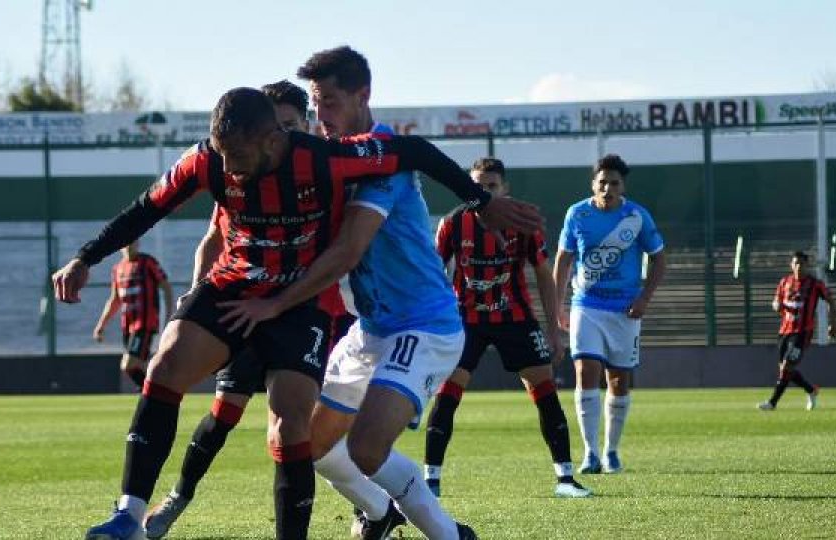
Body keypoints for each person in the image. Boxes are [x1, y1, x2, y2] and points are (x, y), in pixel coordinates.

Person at [54, 86, 539, 540]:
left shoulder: (321, 159)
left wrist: (479, 201)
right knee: (163, 369)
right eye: (223, 155)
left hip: (297, 303)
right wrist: (85, 258)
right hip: (235, 285)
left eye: (240, 156)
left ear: (273, 139)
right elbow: (147, 207)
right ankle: (129, 515)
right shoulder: (208, 161)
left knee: (291, 425)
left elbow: (412, 154)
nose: (232, 168)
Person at [217, 46, 514, 540]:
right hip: (374, 329)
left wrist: (274, 304)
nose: (322, 117)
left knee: (367, 447)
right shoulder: (328, 160)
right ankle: (379, 512)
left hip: (424, 324)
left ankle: (451, 535)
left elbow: (348, 251)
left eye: (330, 102)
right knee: (308, 443)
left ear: (363, 95)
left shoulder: (381, 159)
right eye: (316, 106)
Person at [143, 80, 351, 540]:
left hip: (315, 313)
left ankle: (374, 505)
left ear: (305, 126)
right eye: (274, 125)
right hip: (244, 307)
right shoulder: (243, 172)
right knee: (223, 413)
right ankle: (177, 497)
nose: (280, 135)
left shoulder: (326, 170)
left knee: (311, 428)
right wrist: (197, 297)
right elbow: (214, 239)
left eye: (289, 125)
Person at [422, 157, 591, 499]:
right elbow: (429, 272)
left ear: (505, 188)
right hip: (466, 321)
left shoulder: (523, 222)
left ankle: (566, 480)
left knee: (545, 393)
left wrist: (553, 327)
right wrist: (432, 321)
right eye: (477, 186)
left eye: (491, 186)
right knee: (447, 397)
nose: (483, 192)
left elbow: (544, 274)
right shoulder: (453, 223)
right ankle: (431, 483)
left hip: (515, 318)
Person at [553, 153, 666, 475]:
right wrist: (558, 305)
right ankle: (589, 453)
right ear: (593, 184)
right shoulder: (577, 214)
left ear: (622, 186)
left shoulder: (636, 216)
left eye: (614, 183)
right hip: (586, 305)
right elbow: (563, 261)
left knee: (618, 380)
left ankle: (611, 451)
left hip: (625, 311)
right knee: (584, 371)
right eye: (602, 182)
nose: (607, 188)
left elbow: (660, 260)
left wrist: (644, 298)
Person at [758, 250, 836, 411]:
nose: (799, 266)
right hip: (784, 331)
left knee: (787, 366)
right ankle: (811, 390)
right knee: (786, 370)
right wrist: (776, 306)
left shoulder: (815, 284)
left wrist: (832, 324)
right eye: (796, 263)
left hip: (802, 332)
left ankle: (772, 403)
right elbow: (776, 301)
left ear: (807, 265)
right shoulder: (784, 282)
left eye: (802, 263)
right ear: (791, 265)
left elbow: (830, 301)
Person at [92, 239, 173, 389]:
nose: (129, 246)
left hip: (144, 323)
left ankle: (152, 393)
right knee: (140, 366)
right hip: (127, 325)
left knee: (128, 365)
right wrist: (101, 325)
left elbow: (166, 286)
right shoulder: (118, 268)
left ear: (138, 244)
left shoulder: (147, 262)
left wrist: (169, 314)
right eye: (126, 243)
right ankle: (155, 393)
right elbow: (115, 299)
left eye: (132, 242)